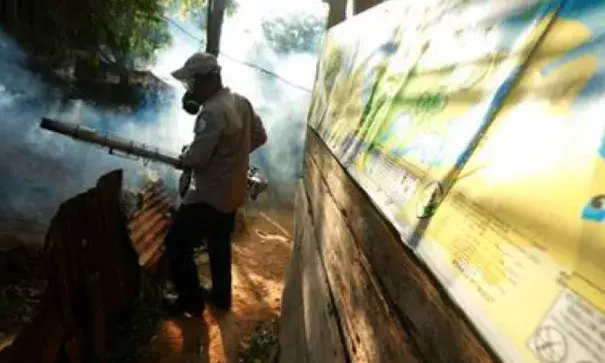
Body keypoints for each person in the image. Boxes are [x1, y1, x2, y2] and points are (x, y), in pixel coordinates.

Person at [163, 52, 267, 317]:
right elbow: (259, 136)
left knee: (176, 245)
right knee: (218, 242)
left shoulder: (211, 111)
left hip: (207, 195)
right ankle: (221, 298)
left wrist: (185, 155)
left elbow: (197, 158)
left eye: (193, 82)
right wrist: (233, 156)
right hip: (231, 193)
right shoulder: (241, 102)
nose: (190, 88)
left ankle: (191, 302)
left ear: (210, 80)